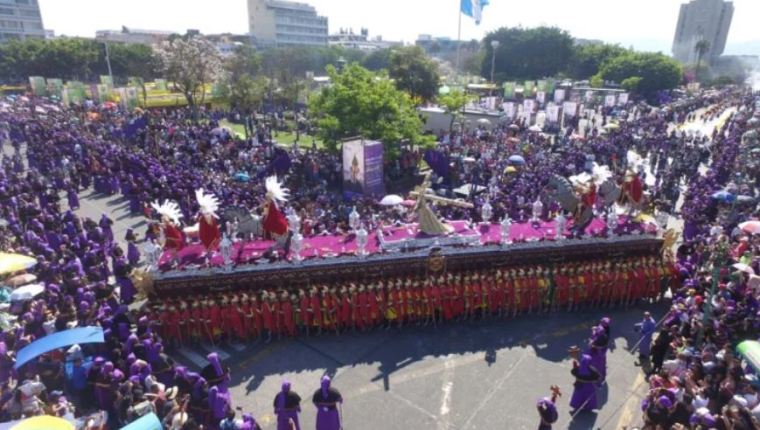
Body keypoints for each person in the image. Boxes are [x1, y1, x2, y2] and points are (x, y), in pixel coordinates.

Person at [568, 346, 599, 413]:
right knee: (580, 394)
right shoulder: (579, 360)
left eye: (572, 353)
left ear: (576, 353)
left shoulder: (585, 361)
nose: (571, 355)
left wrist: (582, 379)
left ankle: (585, 407)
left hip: (586, 384)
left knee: (582, 394)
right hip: (582, 383)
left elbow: (593, 374)